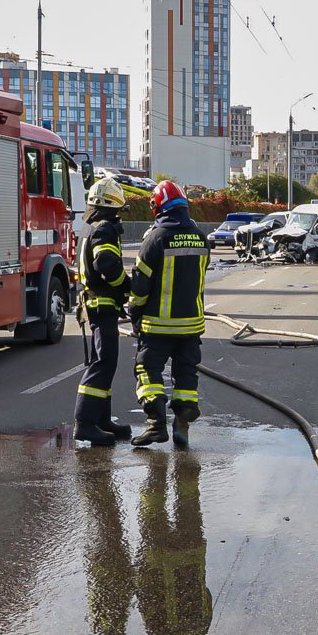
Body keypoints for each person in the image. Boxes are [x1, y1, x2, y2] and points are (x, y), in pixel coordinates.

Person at [127, 180, 210, 448]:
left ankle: (156, 425)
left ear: (157, 206)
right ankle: (182, 423)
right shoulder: (200, 237)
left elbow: (140, 285)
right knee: (186, 374)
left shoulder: (155, 239)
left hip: (158, 325)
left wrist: (134, 312)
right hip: (191, 325)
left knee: (147, 369)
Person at [74, 177, 132, 446]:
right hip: (102, 305)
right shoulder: (105, 228)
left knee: (104, 362)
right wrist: (126, 285)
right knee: (103, 363)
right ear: (112, 205)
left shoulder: (90, 227)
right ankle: (85, 423)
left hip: (96, 305)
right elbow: (105, 263)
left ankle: (101, 419)